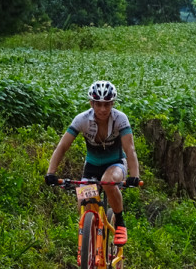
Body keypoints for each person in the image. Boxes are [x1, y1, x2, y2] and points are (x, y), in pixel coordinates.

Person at [45, 80, 140, 246]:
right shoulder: (82, 119)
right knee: (83, 204)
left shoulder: (120, 119)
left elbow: (130, 149)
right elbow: (62, 146)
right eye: (98, 104)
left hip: (116, 164)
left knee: (108, 181)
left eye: (107, 104)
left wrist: (134, 176)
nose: (103, 109)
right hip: (92, 167)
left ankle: (120, 222)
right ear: (91, 103)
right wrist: (50, 173)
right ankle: (89, 245)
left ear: (112, 104)